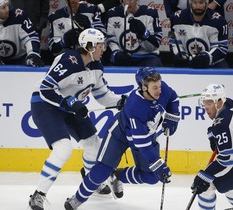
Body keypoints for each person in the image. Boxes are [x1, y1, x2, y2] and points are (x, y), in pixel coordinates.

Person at [28, 28, 127, 210]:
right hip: (45, 105)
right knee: (63, 148)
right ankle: (38, 195)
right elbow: (46, 88)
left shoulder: (96, 66)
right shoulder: (69, 61)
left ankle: (92, 182)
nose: (103, 48)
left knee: (93, 144)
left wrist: (121, 101)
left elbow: (102, 94)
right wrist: (70, 102)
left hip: (70, 108)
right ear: (89, 46)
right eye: (99, 45)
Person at [63, 67, 180, 210]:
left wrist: (171, 119)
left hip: (146, 135)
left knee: (151, 177)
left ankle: (117, 175)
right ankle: (78, 198)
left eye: (159, 86)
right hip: (120, 134)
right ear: (143, 87)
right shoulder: (135, 106)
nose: (159, 90)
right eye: (155, 87)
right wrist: (158, 164)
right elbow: (141, 143)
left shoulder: (162, 89)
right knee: (102, 171)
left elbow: (173, 99)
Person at [169, 0, 228, 68]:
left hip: (212, 64)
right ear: (190, 3)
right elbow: (175, 44)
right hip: (187, 62)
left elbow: (221, 48)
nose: (198, 6)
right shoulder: (177, 19)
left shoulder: (218, 21)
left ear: (207, 2)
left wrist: (206, 58)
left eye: (201, 2)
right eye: (195, 3)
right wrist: (180, 55)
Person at [106, 0, 163, 66]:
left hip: (147, 57)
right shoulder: (112, 14)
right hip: (123, 57)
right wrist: (117, 53)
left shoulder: (150, 13)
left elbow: (154, 46)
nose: (128, 2)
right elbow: (111, 40)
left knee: (154, 68)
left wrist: (143, 34)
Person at [0, 0, 44, 66]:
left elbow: (30, 36)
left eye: (7, 5)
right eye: (3, 7)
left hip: (22, 58)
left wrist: (33, 53)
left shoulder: (19, 16)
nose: (7, 9)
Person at [163, 0, 231, 19]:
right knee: (178, 46)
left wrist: (215, 3)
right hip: (179, 13)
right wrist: (170, 13)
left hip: (209, 12)